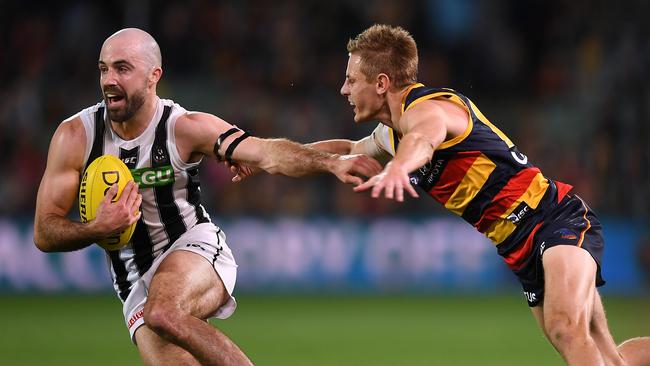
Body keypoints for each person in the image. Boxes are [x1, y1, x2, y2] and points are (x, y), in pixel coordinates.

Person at [234, 24, 650, 365]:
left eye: (350, 79)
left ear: (381, 83)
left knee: (565, 328)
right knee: (608, 358)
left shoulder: (430, 109)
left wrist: (399, 168)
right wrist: (267, 153)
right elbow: (347, 150)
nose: (343, 89)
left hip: (552, 218)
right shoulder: (390, 133)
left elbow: (426, 140)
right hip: (518, 246)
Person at [33, 28, 381, 366]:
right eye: (104, 68)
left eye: (122, 68)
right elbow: (44, 233)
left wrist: (332, 163)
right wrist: (98, 227)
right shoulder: (75, 136)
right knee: (162, 321)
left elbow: (267, 153)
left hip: (191, 247)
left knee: (164, 312)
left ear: (154, 76)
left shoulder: (183, 127)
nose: (109, 79)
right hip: (132, 280)